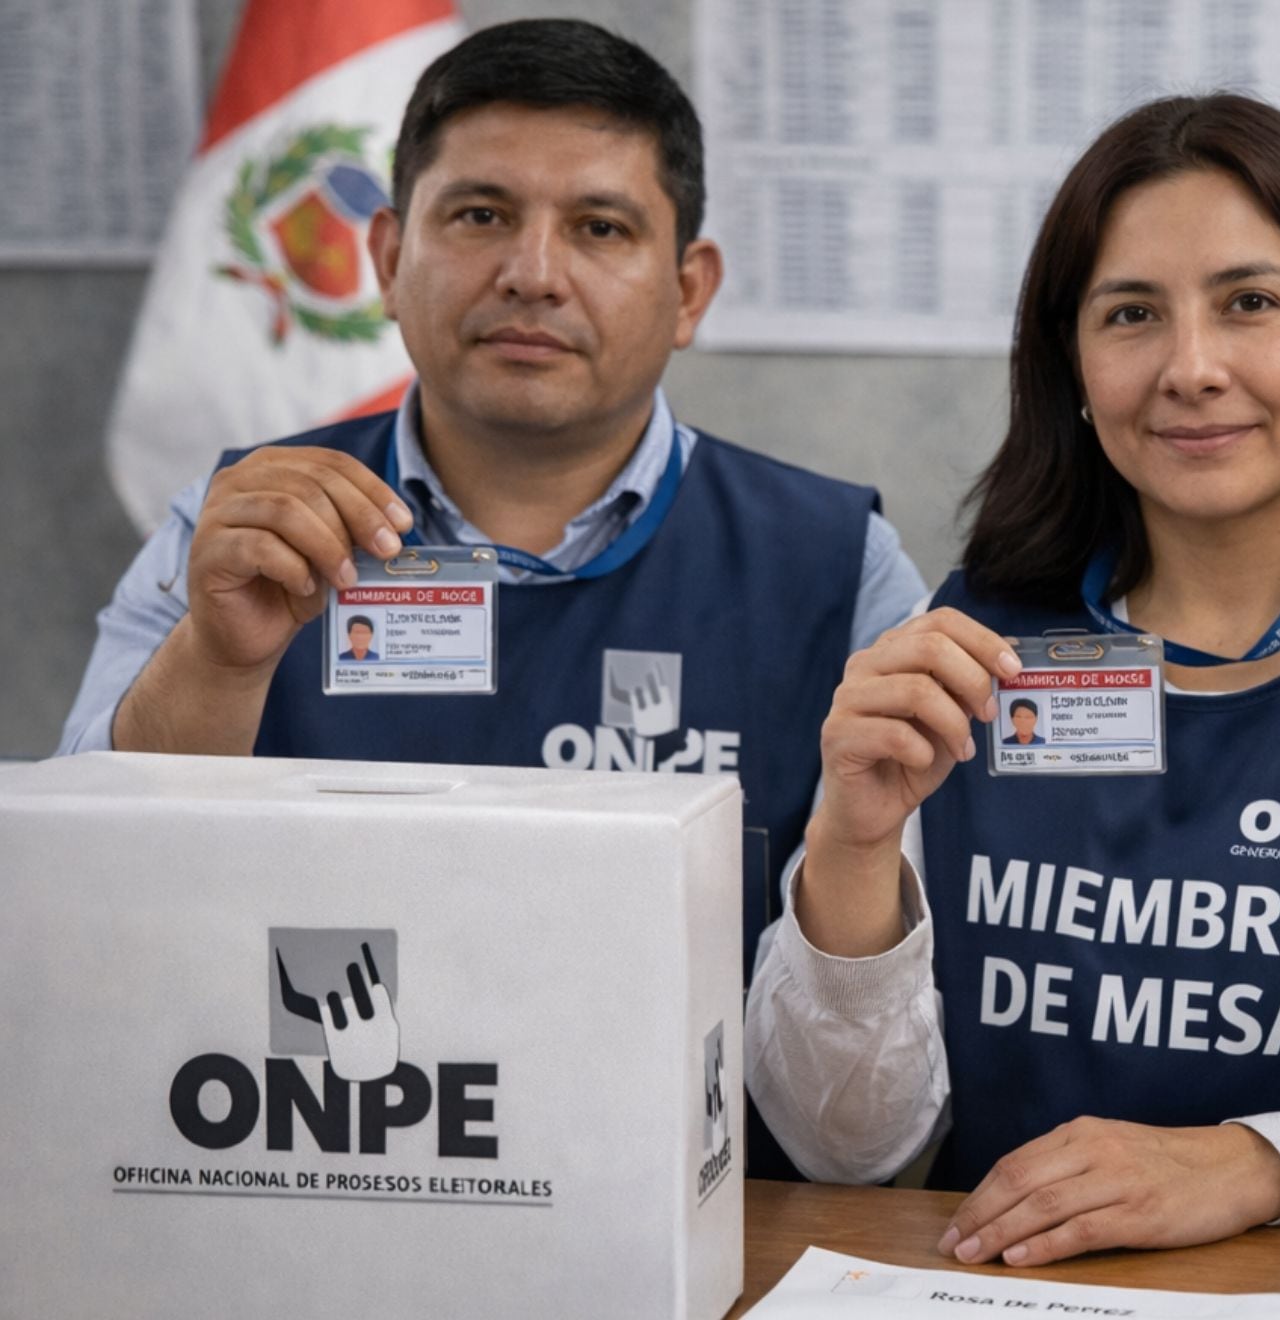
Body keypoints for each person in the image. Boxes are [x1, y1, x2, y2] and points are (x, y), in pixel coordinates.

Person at [57, 18, 923, 1180]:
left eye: (600, 228)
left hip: (698, 1227)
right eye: (479, 215)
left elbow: (871, 1138)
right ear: (385, 256)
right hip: (301, 1191)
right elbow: (82, 929)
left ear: (687, 290)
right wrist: (219, 659)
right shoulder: (232, 528)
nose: (531, 272)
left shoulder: (839, 564)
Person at [747, 93, 1280, 1266]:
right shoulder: (962, 640)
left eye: (1249, 304)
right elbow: (846, 1150)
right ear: (1073, 361)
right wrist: (847, 844)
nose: (1191, 369)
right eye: (1132, 314)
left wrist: (1254, 1163)